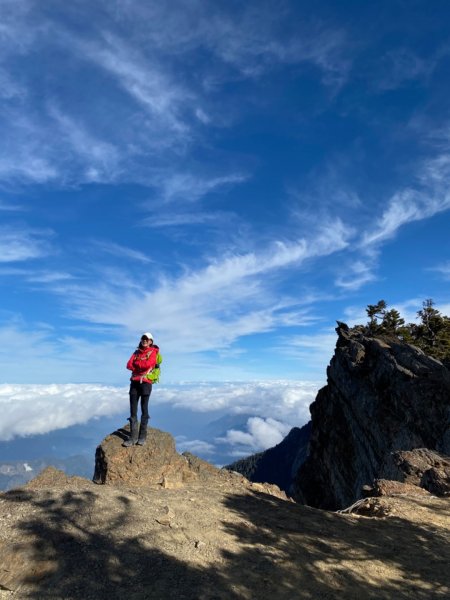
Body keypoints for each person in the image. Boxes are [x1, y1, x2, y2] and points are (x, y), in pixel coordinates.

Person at [123, 332, 159, 447]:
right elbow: (128, 365)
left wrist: (137, 365)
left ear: (151, 341)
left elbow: (149, 364)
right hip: (134, 382)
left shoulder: (153, 352)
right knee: (133, 410)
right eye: (143, 338)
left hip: (145, 383)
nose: (144, 340)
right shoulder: (136, 352)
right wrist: (140, 366)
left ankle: (142, 437)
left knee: (144, 409)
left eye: (147, 339)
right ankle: (133, 437)